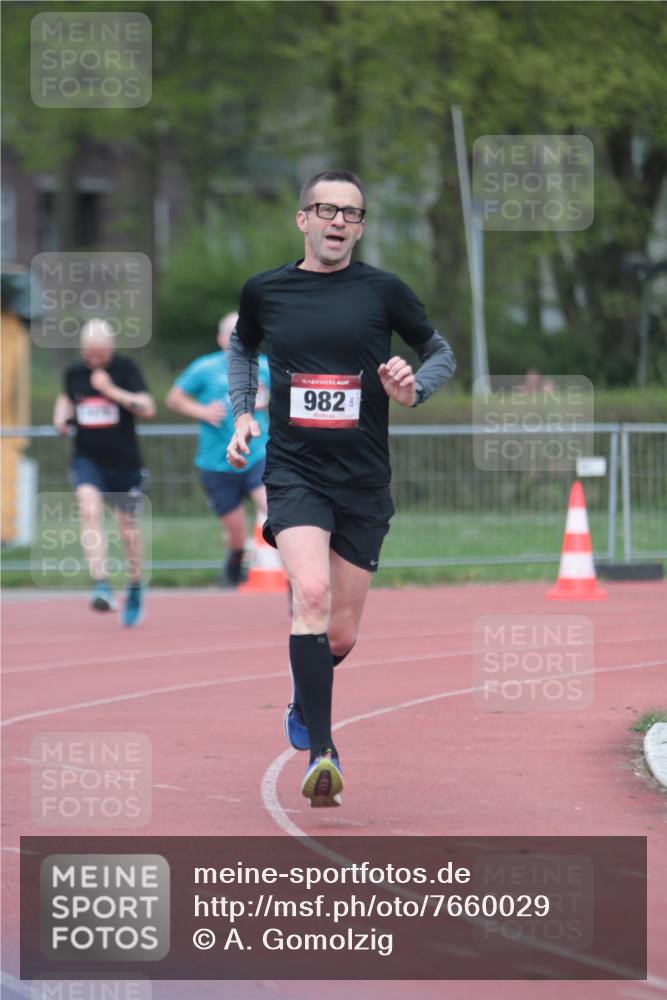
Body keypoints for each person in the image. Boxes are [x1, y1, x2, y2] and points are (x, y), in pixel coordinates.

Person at [226, 170, 456, 807]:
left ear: (360, 227)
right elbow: (242, 349)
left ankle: (306, 697)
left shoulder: (384, 291)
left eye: (350, 213)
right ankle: (322, 753)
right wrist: (242, 411)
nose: (337, 221)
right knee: (311, 594)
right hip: (294, 471)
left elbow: (440, 353)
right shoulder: (266, 290)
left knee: (340, 635)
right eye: (326, 209)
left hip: (363, 479)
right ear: (303, 219)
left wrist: (414, 387)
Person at [53, 319, 156, 625]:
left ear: (111, 348)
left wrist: (111, 390)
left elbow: (148, 407)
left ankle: (135, 585)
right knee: (89, 509)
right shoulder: (74, 372)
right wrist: (61, 417)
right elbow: (67, 397)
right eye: (89, 354)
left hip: (125, 463)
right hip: (87, 458)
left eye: (100, 354)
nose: (94, 360)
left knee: (128, 530)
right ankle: (101, 585)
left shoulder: (126, 368)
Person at [165, 312, 270, 588]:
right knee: (237, 536)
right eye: (232, 334)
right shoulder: (204, 367)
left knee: (276, 512)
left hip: (257, 455)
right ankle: (233, 568)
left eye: (242, 333)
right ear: (221, 338)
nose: (238, 339)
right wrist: (202, 411)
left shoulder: (264, 367)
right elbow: (174, 399)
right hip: (217, 462)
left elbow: (286, 395)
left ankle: (297, 579)